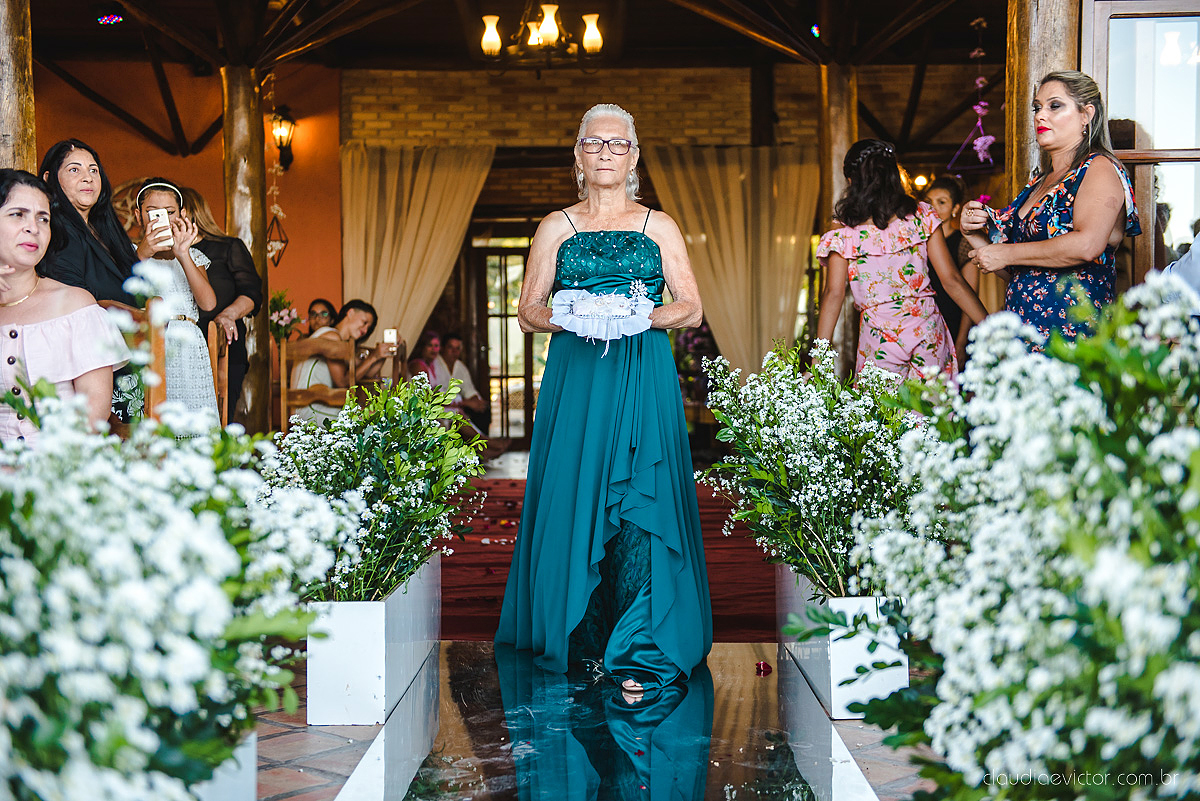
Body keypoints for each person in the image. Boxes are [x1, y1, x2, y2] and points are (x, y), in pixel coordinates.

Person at [496, 103, 712, 697]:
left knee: (642, 497)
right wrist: (573, 314)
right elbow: (528, 311)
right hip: (577, 377)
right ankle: (581, 639)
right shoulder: (555, 226)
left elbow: (691, 307)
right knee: (576, 492)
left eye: (618, 144)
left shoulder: (658, 225)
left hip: (642, 372)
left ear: (634, 156)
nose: (606, 153)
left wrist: (637, 315)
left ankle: (640, 645)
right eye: (594, 143)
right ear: (578, 154)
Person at [961, 70, 1141, 346]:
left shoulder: (1097, 168)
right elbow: (1019, 270)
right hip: (1025, 338)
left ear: (1086, 114)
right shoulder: (1038, 181)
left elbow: (1087, 245)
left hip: (1073, 339)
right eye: (1037, 108)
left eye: (1054, 106)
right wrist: (973, 234)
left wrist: (1006, 252)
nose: (1040, 116)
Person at [816, 139, 989, 379]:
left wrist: (817, 361)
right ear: (893, 175)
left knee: (883, 404)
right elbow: (952, 280)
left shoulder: (843, 233)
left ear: (851, 181)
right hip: (927, 335)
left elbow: (833, 294)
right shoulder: (922, 216)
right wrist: (993, 329)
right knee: (933, 404)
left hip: (880, 342)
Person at [0, 169, 128, 445]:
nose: (33, 228)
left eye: (43, 218)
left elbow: (94, 414)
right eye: (17, 214)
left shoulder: (75, 306)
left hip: (58, 461)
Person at [37, 139, 148, 420]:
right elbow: (73, 303)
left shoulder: (104, 230)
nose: (88, 177)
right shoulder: (59, 232)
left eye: (94, 170)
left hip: (123, 359)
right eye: (74, 170)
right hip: (89, 368)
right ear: (49, 179)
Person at [132, 178, 219, 419]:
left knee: (191, 417)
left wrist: (183, 254)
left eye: (169, 212)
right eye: (152, 212)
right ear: (138, 216)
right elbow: (122, 290)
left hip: (187, 345)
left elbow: (208, 304)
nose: (162, 218)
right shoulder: (130, 253)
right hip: (148, 343)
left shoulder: (192, 255)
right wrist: (144, 252)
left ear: (181, 215)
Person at [180, 187, 263, 415]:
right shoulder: (165, 254)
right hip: (179, 350)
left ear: (189, 212)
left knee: (219, 415)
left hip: (222, 345)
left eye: (171, 210)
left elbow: (252, 293)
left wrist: (228, 315)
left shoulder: (228, 247)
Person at [290, 299, 400, 425]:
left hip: (308, 407)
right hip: (309, 410)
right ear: (350, 313)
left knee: (378, 415)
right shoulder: (332, 337)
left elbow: (367, 373)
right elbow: (343, 382)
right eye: (364, 322)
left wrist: (383, 353)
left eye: (368, 328)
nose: (365, 330)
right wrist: (374, 356)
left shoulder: (333, 338)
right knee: (381, 417)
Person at [924, 175, 979, 364]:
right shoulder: (919, 243)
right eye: (928, 202)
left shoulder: (963, 244)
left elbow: (970, 293)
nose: (933, 208)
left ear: (955, 209)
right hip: (925, 324)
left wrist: (961, 341)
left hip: (954, 321)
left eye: (941, 202)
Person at [433, 332, 487, 424]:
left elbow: (469, 390)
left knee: (483, 410)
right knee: (458, 413)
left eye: (457, 348)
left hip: (458, 404)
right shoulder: (434, 365)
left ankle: (481, 434)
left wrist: (477, 401)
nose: (454, 352)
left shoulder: (460, 367)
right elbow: (438, 396)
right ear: (442, 348)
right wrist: (466, 402)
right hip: (439, 407)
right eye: (450, 347)